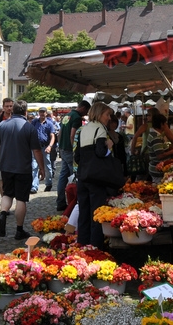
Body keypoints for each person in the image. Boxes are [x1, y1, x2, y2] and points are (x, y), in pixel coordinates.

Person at [0, 100, 46, 240]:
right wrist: (42, 167)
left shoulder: (2, 125)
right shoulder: (29, 127)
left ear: (12, 110)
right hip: (23, 168)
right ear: (25, 112)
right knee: (21, 199)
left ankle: (3, 213)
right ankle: (19, 230)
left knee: (7, 194)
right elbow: (37, 150)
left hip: (6, 167)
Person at [75, 102, 120, 247]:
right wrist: (109, 147)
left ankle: (82, 244)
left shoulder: (84, 129)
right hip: (96, 178)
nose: (109, 118)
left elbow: (77, 157)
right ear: (99, 114)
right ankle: (95, 246)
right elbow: (101, 153)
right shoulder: (100, 129)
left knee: (84, 213)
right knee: (97, 213)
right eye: (107, 115)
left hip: (82, 176)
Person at [56, 99, 90, 211]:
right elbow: (73, 135)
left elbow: (60, 133)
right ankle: (74, 203)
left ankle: (60, 201)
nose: (86, 114)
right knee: (74, 176)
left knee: (63, 176)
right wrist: (75, 150)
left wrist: (60, 147)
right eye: (86, 111)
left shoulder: (67, 116)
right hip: (70, 151)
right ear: (83, 108)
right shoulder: (76, 118)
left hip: (63, 148)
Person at [145, 112, 173, 183]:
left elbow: (159, 149)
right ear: (161, 124)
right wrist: (172, 151)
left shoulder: (154, 135)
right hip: (157, 170)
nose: (166, 126)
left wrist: (167, 148)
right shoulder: (156, 137)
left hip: (157, 168)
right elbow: (160, 155)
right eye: (165, 123)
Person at [31, 107, 58, 193]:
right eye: (40, 112)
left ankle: (48, 183)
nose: (42, 113)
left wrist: (50, 146)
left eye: (43, 112)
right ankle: (34, 186)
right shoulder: (34, 122)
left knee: (47, 166)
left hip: (45, 147)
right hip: (35, 147)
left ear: (46, 113)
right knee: (34, 166)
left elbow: (52, 136)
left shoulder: (49, 124)